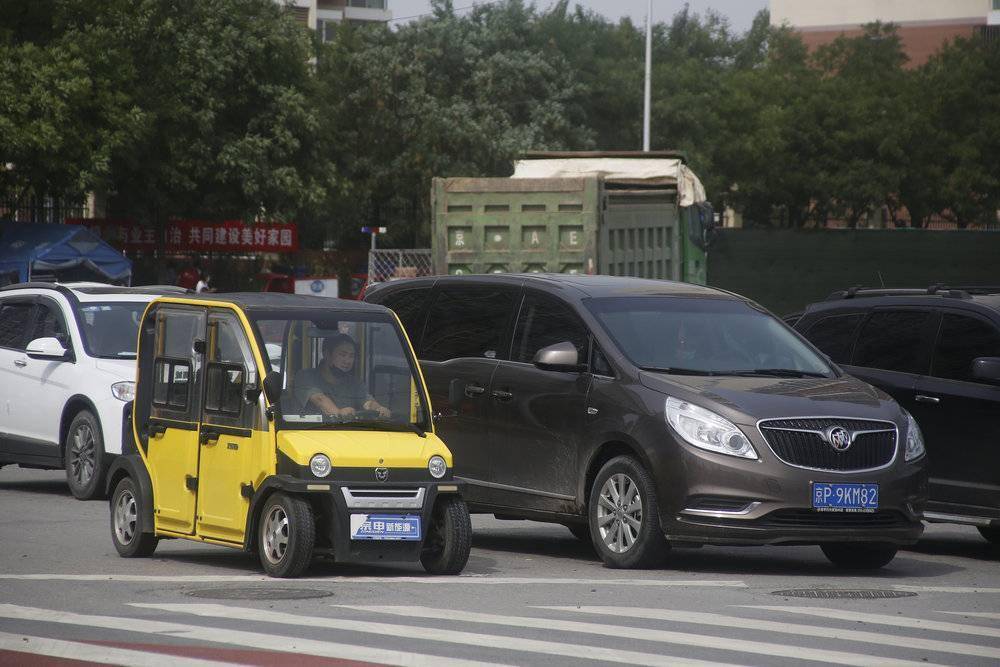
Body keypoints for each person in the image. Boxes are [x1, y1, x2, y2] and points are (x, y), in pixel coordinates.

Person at [293, 334, 391, 418]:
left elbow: (367, 402)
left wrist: (379, 409)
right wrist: (338, 413)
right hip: (309, 433)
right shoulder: (305, 376)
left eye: (351, 356)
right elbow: (320, 399)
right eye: (342, 355)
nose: (347, 361)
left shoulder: (354, 383)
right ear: (327, 355)